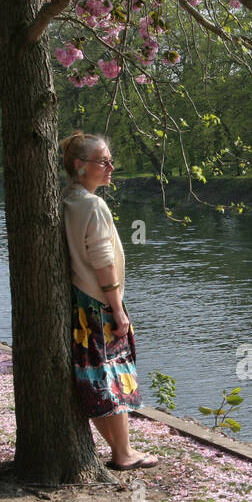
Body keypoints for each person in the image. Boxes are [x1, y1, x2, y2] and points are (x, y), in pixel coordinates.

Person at [60, 131, 159, 471]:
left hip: (78, 306)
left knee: (95, 381)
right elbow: (102, 260)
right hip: (99, 305)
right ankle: (124, 453)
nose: (111, 167)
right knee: (114, 379)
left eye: (109, 161)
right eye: (103, 161)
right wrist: (118, 309)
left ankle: (122, 450)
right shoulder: (93, 205)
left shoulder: (67, 199)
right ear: (80, 165)